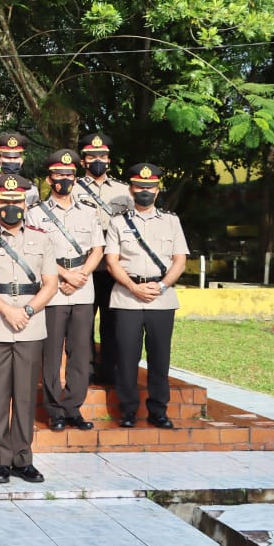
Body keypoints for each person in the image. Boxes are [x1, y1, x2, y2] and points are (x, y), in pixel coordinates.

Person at [0, 173, 58, 484]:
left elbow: (51, 283)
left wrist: (28, 310)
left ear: (26, 203)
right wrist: (7, 310)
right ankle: (1, 461)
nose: (11, 207)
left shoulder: (42, 237)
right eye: (5, 202)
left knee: (23, 397)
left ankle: (23, 459)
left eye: (16, 201)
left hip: (30, 327)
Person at [104, 163, 188, 429]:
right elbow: (112, 261)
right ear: (131, 189)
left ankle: (158, 410)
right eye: (139, 187)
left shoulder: (171, 221)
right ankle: (128, 410)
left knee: (159, 357)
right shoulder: (118, 223)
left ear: (158, 190)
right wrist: (133, 286)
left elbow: (179, 261)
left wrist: (162, 286)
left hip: (161, 298)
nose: (145, 191)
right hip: (127, 297)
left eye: (150, 187)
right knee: (126, 357)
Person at [27, 150, 104, 432]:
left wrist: (82, 274)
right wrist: (64, 275)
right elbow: (34, 250)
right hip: (54, 287)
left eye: (69, 175)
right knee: (51, 352)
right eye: (59, 175)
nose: (64, 180)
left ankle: (73, 407)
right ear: (50, 179)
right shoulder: (35, 213)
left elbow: (98, 248)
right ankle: (54, 409)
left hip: (83, 288)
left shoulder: (87, 210)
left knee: (80, 352)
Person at [74, 132, 132, 386]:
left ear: (109, 160)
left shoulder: (123, 191)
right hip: (83, 267)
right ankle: (85, 370)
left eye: (102, 156)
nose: (97, 161)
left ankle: (109, 370)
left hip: (113, 269)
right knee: (82, 324)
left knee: (112, 321)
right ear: (83, 161)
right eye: (91, 157)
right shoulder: (72, 188)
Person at [0, 131, 40, 205]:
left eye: (15, 157)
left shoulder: (31, 190)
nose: (12, 161)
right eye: (7, 157)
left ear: (21, 161)